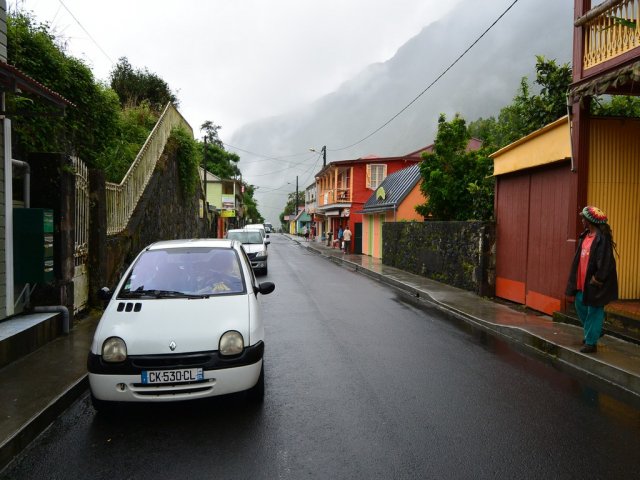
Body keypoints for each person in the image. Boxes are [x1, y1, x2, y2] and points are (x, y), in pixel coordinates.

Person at [565, 206, 618, 354]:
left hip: (596, 282)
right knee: (579, 304)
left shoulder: (602, 239)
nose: (582, 220)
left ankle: (591, 343)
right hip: (582, 282)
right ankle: (594, 332)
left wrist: (598, 279)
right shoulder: (585, 236)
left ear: (589, 221)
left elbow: (606, 262)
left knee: (594, 309)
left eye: (584, 218)